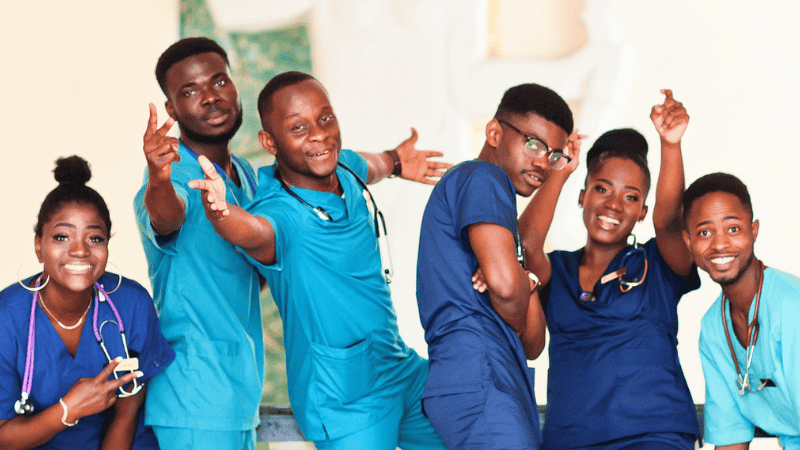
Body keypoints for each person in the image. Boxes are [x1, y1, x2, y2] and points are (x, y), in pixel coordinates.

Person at [188, 70, 450, 450]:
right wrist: (221, 213)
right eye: (298, 128)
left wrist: (396, 161)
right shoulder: (279, 212)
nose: (318, 135)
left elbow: (370, 164)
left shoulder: (344, 166)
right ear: (269, 141)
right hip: (344, 399)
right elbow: (254, 231)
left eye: (324, 119)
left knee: (469, 424)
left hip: (400, 369)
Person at [519, 90, 701, 449]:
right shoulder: (557, 270)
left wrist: (671, 145)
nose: (614, 205)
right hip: (570, 440)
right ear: (583, 195)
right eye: (601, 188)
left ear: (642, 212)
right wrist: (562, 169)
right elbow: (525, 245)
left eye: (631, 197)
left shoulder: (657, 264)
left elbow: (668, 223)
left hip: (654, 436)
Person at [416, 83, 578, 449]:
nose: (542, 163)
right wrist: (514, 283)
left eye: (554, 155)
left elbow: (534, 342)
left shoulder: (498, 209)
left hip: (496, 379)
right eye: (533, 144)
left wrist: (524, 279)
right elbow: (506, 290)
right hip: (479, 377)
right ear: (494, 132)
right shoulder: (483, 178)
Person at [134, 37, 265, 450]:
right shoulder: (173, 175)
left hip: (239, 397)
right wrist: (157, 176)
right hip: (195, 397)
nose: (210, 97)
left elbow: (248, 272)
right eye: (189, 91)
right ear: (171, 110)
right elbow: (167, 214)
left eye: (219, 81)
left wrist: (391, 161)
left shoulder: (246, 176)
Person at [0, 156, 175, 450]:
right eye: (61, 237)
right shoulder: (7, 317)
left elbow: (125, 417)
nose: (80, 251)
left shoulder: (129, 305)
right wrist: (69, 409)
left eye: (94, 238)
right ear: (38, 245)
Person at [682, 173, 800, 448]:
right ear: (688, 241)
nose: (720, 244)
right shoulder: (713, 328)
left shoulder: (790, 307)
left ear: (753, 230)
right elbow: (730, 434)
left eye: (733, 229)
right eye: (705, 232)